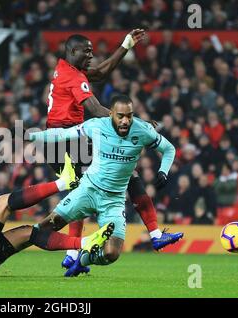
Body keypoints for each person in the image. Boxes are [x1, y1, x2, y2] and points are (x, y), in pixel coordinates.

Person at [44, 31, 178, 270]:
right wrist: (138, 123)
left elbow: (102, 72)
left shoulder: (67, 69)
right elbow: (96, 110)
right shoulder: (73, 78)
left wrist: (125, 45)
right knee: (128, 174)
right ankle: (155, 234)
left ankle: (72, 255)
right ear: (73, 51)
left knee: (83, 188)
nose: (91, 54)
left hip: (59, 142)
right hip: (66, 140)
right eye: (86, 51)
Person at [30, 95, 183, 277]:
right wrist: (30, 135)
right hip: (88, 190)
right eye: (120, 116)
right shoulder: (97, 125)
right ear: (110, 114)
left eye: (129, 115)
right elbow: (61, 134)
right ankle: (10, 245)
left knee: (111, 253)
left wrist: (163, 171)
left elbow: (169, 149)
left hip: (114, 201)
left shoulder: (143, 131)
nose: (125, 121)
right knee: (46, 226)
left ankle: (82, 260)